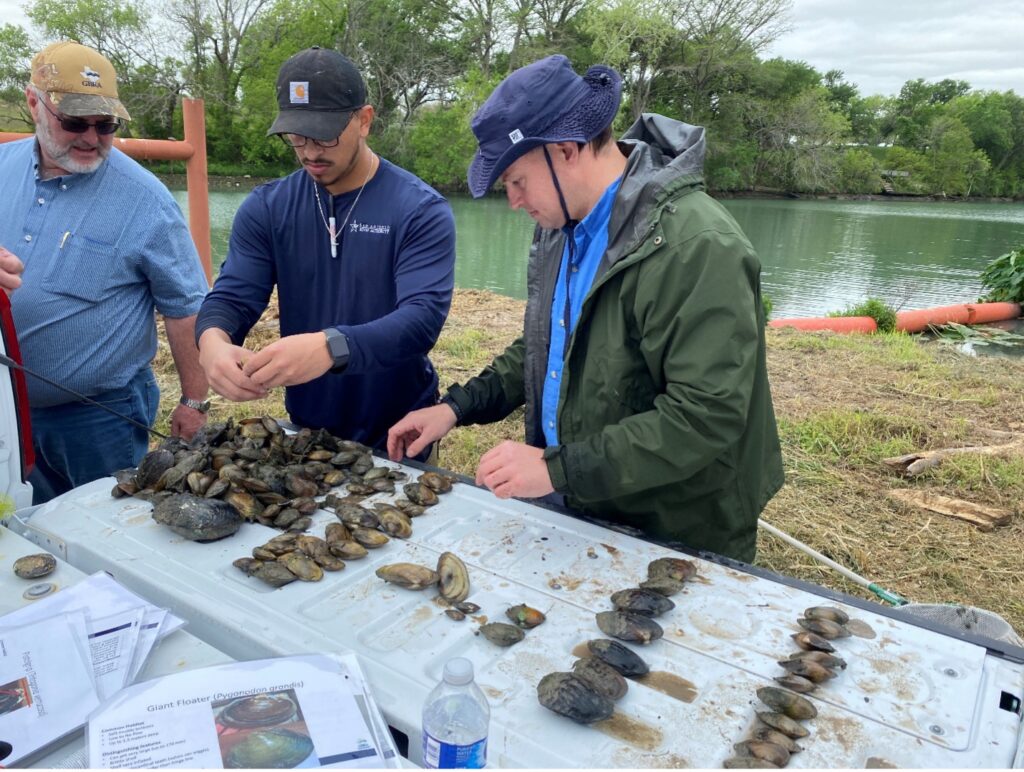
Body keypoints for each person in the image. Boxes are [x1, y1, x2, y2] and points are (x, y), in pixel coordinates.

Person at [388, 55, 784, 562]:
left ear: (567, 150)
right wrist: (455, 408)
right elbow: (546, 344)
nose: (512, 201)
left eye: (516, 180)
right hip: (585, 500)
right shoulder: (562, 225)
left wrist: (555, 470)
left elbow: (705, 415)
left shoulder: (698, 245)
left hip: (678, 523)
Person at [196, 47, 455, 453]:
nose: (310, 151)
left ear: (364, 120)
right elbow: (233, 295)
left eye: (324, 135)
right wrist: (212, 343)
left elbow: (421, 321)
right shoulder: (267, 207)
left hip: (400, 428)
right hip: (307, 431)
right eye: (296, 137)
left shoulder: (419, 209)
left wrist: (331, 347)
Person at [0, 41, 210, 504]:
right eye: (75, 122)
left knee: (108, 534)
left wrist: (194, 402)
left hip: (100, 416)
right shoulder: (0, 168)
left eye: (106, 125)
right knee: (22, 527)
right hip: (7, 411)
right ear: (34, 103)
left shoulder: (146, 199)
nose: (92, 138)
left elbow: (186, 306)